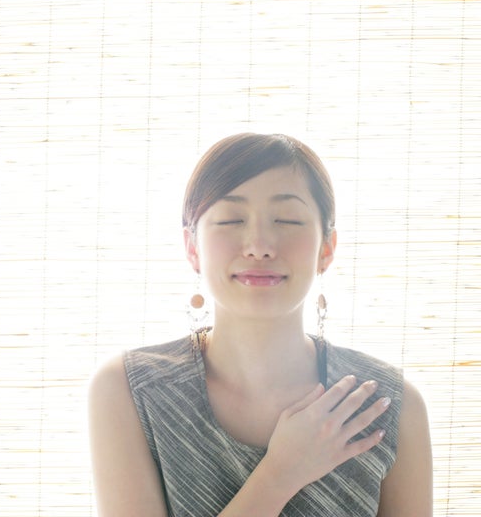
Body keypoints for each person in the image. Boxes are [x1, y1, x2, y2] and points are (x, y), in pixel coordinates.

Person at [88, 133, 433, 516]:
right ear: (192, 248)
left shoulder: (389, 405)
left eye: (287, 220)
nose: (259, 244)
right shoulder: (132, 390)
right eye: (231, 219)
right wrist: (281, 473)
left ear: (327, 249)